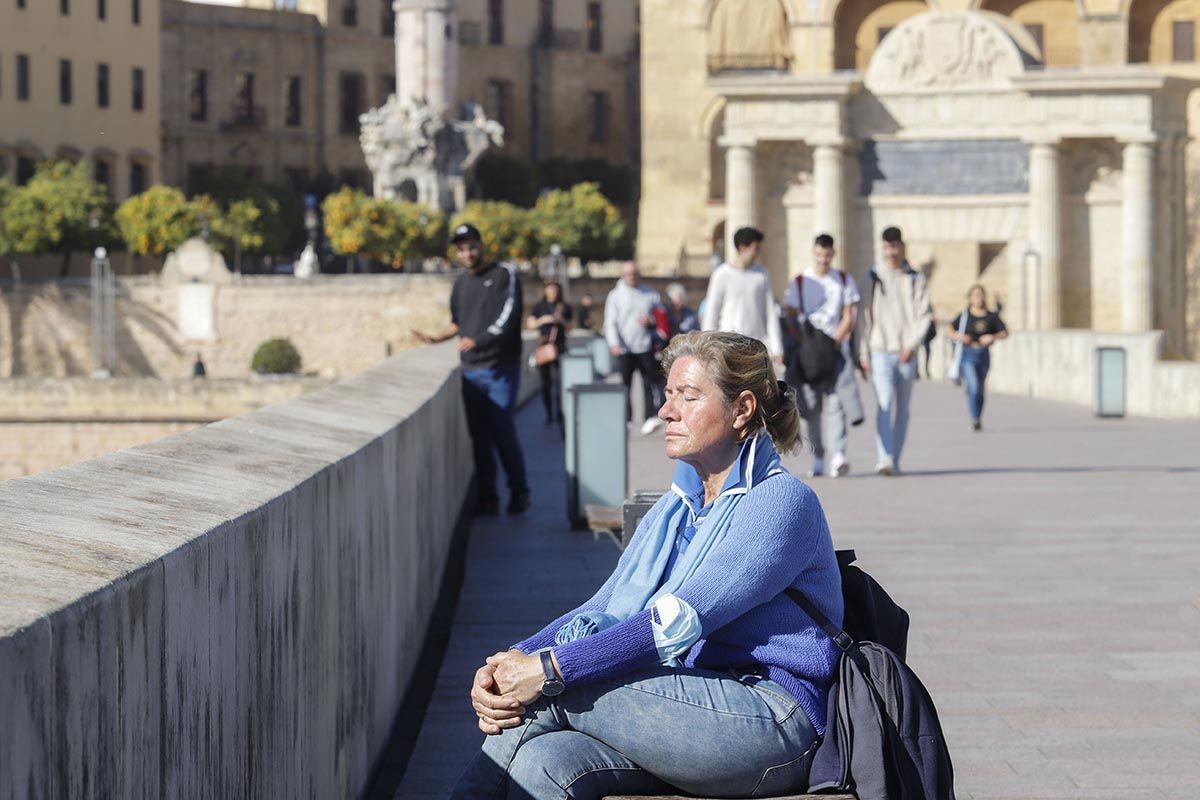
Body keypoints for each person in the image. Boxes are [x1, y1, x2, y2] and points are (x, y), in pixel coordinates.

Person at [451, 331, 844, 800]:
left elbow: (674, 623)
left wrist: (547, 669)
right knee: (541, 764)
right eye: (668, 395)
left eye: (689, 397)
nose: (666, 412)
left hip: (773, 721)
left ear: (741, 409)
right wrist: (509, 660)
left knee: (560, 689)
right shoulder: (677, 508)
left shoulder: (780, 503)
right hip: (687, 701)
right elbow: (602, 604)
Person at [413, 223, 530, 516]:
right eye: (462, 249)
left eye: (471, 246)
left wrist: (477, 340)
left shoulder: (504, 274)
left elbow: (508, 317)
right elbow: (458, 322)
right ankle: (487, 497)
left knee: (502, 431)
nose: (467, 253)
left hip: (499, 367)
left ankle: (519, 492)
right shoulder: (461, 284)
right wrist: (437, 337)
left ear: (481, 245)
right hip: (470, 371)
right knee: (479, 438)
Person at [782, 233, 863, 479]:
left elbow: (850, 314)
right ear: (813, 253)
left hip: (836, 348)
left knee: (837, 402)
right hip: (809, 352)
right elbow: (790, 314)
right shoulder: (799, 281)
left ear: (833, 254)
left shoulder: (842, 279)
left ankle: (838, 456)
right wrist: (804, 342)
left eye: (827, 255)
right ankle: (818, 457)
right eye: (819, 255)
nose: (823, 259)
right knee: (811, 407)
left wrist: (834, 341)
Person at [859, 226, 932, 476]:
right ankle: (885, 457)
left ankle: (895, 457)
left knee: (903, 409)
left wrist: (911, 345)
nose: (891, 252)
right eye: (887, 247)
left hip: (906, 353)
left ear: (902, 247)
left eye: (895, 247)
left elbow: (924, 315)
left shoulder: (915, 278)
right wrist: (863, 353)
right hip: (881, 351)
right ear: (883, 247)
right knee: (885, 403)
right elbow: (864, 318)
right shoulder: (872, 277)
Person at [701, 226, 784, 364]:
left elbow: (770, 312)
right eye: (755, 248)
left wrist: (777, 348)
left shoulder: (762, 274)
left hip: (757, 346)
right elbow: (712, 313)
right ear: (742, 247)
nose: (758, 252)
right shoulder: (722, 274)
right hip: (728, 346)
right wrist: (707, 346)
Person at [605, 261, 665, 435]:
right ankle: (627, 419)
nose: (632, 277)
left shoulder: (650, 293)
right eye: (629, 274)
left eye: (635, 273)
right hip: (625, 348)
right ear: (623, 275)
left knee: (648, 383)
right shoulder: (615, 296)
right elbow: (610, 322)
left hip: (645, 345)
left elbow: (661, 318)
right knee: (626, 385)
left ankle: (649, 417)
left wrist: (651, 321)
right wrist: (614, 343)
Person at [947, 284, 1008, 432]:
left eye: (980, 295)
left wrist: (991, 337)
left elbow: (1005, 332)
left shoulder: (991, 316)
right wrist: (960, 337)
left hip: (983, 354)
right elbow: (949, 330)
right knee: (973, 385)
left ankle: (978, 417)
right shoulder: (964, 315)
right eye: (975, 295)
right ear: (970, 298)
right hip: (967, 354)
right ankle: (974, 417)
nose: (978, 298)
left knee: (980, 388)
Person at [527, 280, 573, 426]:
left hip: (559, 347)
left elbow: (570, 328)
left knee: (560, 383)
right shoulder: (539, 307)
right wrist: (543, 320)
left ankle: (560, 413)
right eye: (549, 290)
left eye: (554, 290)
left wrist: (561, 321)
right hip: (543, 348)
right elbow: (530, 324)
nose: (552, 292)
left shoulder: (564, 307)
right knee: (545, 384)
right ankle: (549, 414)